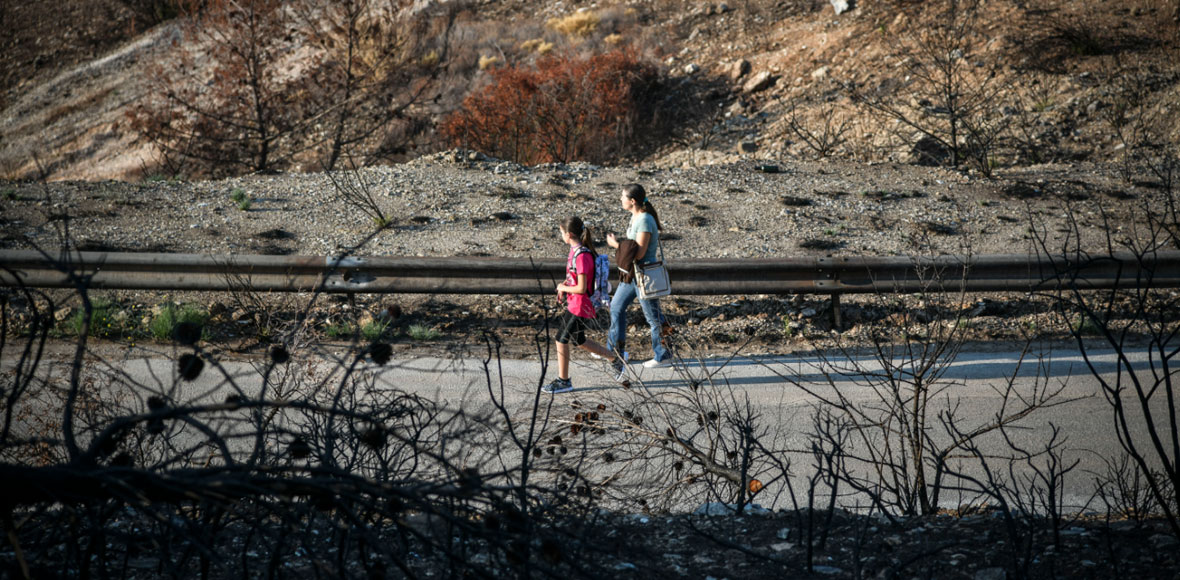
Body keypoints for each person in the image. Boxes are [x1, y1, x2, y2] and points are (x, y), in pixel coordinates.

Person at [542, 216, 627, 394]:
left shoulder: (582, 256)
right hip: (576, 302)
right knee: (578, 340)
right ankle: (614, 359)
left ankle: (564, 381)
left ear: (569, 234)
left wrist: (563, 287)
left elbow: (581, 288)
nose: (561, 236)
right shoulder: (575, 251)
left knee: (560, 339)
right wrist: (565, 286)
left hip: (580, 305)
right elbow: (574, 278)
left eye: (561, 233)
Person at [606, 183, 671, 369]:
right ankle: (614, 352)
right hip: (632, 275)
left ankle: (663, 355)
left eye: (623, 196)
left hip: (644, 276)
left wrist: (616, 245)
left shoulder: (644, 220)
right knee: (616, 307)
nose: (621, 199)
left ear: (632, 201)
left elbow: (640, 253)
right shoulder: (636, 217)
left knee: (654, 318)